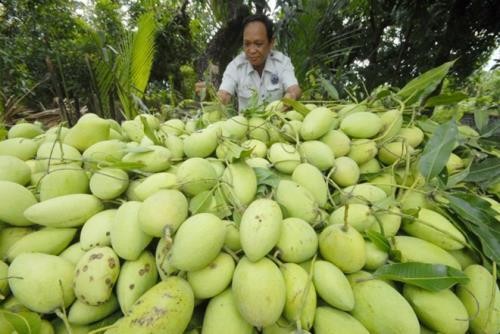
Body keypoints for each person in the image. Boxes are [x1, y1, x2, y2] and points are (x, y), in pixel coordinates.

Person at [196, 14, 301, 112]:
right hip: (247, 128)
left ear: (271, 43)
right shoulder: (236, 67)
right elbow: (224, 95)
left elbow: (294, 89)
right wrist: (210, 95)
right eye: (247, 44)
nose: (251, 50)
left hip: (277, 125)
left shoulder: (282, 63)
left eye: (258, 44)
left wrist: (290, 97)